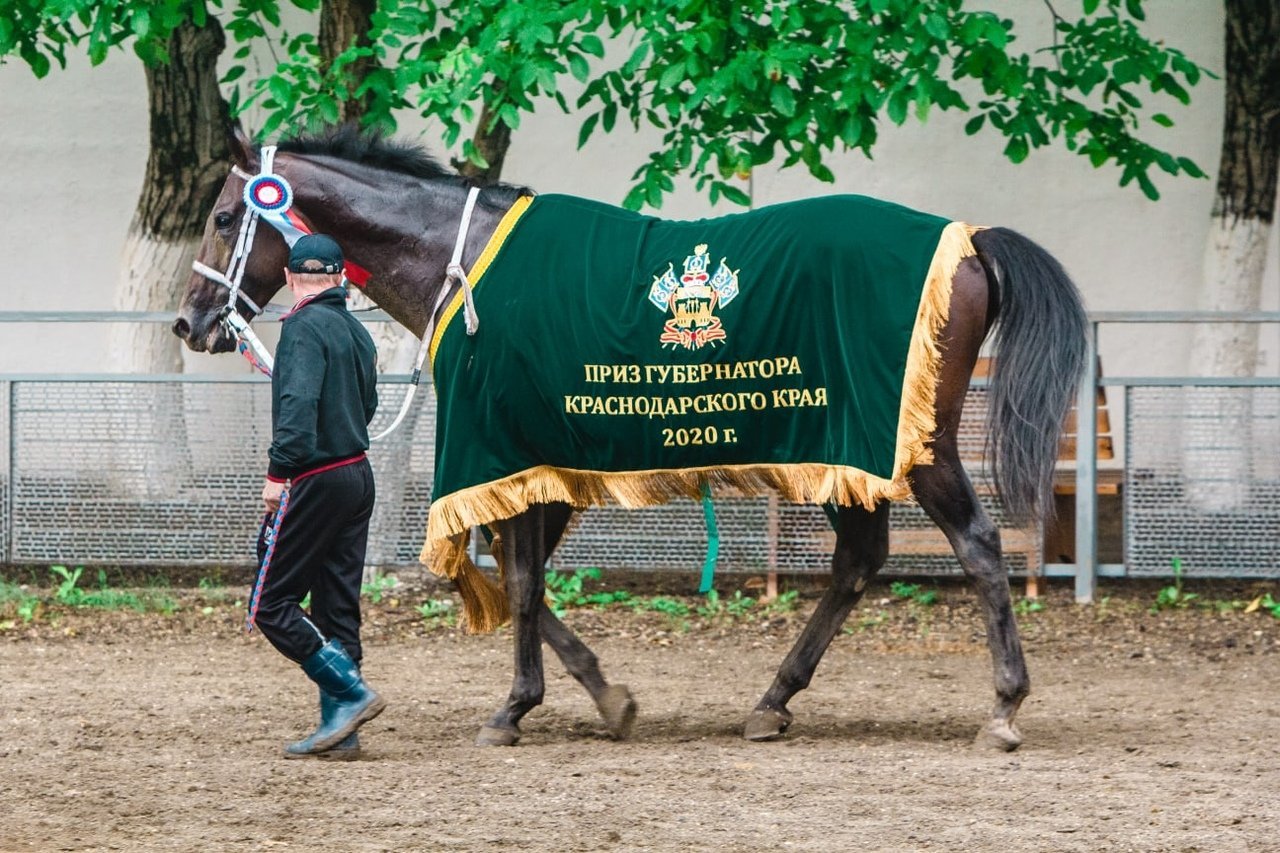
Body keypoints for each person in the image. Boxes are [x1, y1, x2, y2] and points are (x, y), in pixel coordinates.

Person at [249, 232, 384, 759]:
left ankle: (350, 695)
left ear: (288, 278)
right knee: (337, 607)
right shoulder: (355, 329)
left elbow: (298, 408)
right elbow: (367, 405)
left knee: (270, 601)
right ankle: (340, 733)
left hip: (315, 476)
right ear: (339, 277)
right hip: (356, 474)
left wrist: (278, 474)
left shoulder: (302, 328)